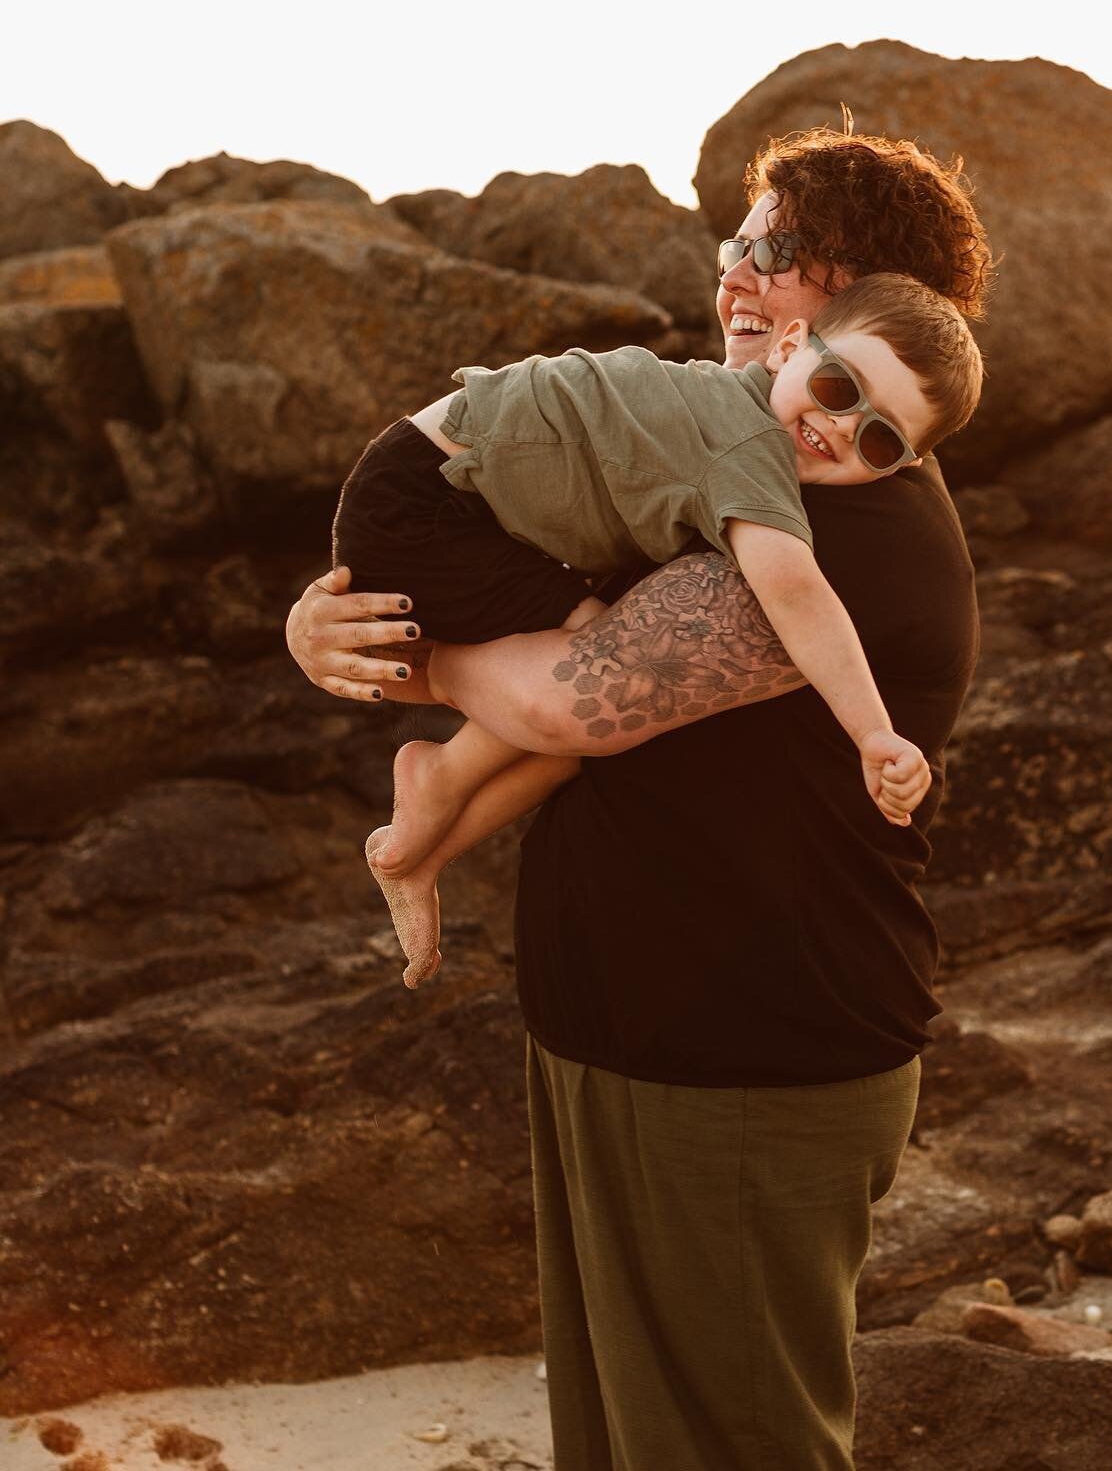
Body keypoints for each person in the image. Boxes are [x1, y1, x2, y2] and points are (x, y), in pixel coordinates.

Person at [287, 126, 990, 1470]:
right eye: (744, 236)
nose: (737, 271)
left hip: (742, 1065)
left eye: (781, 252)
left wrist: (404, 662)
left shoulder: (840, 524)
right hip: (633, 1040)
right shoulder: (741, 461)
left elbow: (565, 694)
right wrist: (327, 634)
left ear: (865, 306)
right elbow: (500, 562)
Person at [333, 273, 980, 988]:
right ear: (791, 347)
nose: (843, 426)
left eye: (882, 441)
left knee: (607, 701)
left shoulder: (736, 418)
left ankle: (420, 843)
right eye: (837, 387)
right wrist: (873, 733)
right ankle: (435, 782)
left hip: (450, 496)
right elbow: (797, 595)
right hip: (432, 505)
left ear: (907, 464)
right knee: (593, 672)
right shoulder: (749, 449)